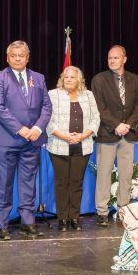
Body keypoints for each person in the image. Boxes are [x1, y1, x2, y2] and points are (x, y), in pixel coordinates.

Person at [0, 40, 51, 240]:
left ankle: (27, 222)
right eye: (13, 56)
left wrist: (37, 128)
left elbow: (46, 107)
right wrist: (21, 129)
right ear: (7, 58)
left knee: (28, 183)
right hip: (8, 140)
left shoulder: (39, 78)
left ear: (27, 57)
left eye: (21, 55)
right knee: (3, 184)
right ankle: (3, 224)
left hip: (32, 140)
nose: (17, 59)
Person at [91, 45, 138, 226]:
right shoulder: (99, 79)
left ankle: (124, 209)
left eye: (115, 58)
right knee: (104, 174)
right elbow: (100, 108)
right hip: (107, 134)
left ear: (124, 59)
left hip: (127, 135)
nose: (112, 61)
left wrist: (127, 125)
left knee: (126, 175)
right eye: (109, 58)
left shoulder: (135, 79)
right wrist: (116, 125)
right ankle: (102, 212)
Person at [46, 66, 99, 231]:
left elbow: (96, 117)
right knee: (61, 183)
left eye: (72, 77)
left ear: (79, 80)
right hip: (58, 145)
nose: (68, 79)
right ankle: (62, 218)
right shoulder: (52, 95)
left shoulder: (88, 95)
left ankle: (74, 217)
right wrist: (64, 136)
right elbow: (47, 119)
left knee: (76, 183)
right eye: (66, 77)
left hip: (82, 145)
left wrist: (83, 135)